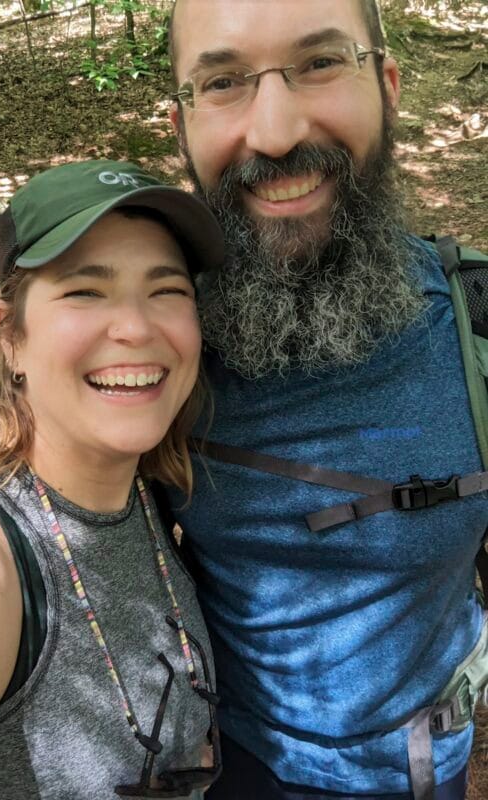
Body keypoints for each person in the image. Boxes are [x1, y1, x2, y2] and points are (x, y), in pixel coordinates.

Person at [161, 1, 488, 799]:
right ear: (181, 123)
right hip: (233, 767)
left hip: (425, 771)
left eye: (318, 63)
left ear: (388, 82)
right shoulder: (154, 346)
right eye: (224, 80)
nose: (274, 133)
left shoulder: (477, 320)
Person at [0, 159, 226, 799]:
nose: (136, 328)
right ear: (10, 335)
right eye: (84, 291)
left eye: (167, 290)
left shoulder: (148, 487)